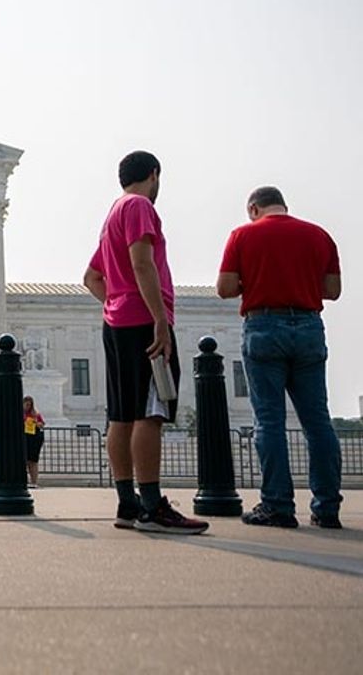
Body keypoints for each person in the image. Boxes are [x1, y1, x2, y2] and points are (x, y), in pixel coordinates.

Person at [83, 150, 208, 534]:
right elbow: (142, 262)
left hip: (116, 322)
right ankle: (152, 506)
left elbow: (91, 278)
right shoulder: (139, 207)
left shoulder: (112, 214)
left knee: (120, 415)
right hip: (143, 321)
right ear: (154, 175)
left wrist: (117, 304)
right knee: (149, 411)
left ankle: (127, 503)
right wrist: (158, 319)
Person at [217, 186, 343, 529]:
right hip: (308, 327)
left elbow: (225, 287)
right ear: (284, 206)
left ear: (254, 208)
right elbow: (332, 290)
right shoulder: (319, 236)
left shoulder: (243, 235)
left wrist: (257, 280)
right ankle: (327, 507)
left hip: (263, 326)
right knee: (318, 420)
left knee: (269, 421)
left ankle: (277, 505)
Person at [23, 396, 46, 487]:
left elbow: (42, 424)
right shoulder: (20, 414)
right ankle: (24, 481)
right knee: (24, 461)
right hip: (24, 438)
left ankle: (34, 482)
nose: (28, 406)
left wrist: (36, 423)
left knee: (33, 461)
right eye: (26, 404)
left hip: (34, 439)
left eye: (29, 405)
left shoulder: (35, 414)